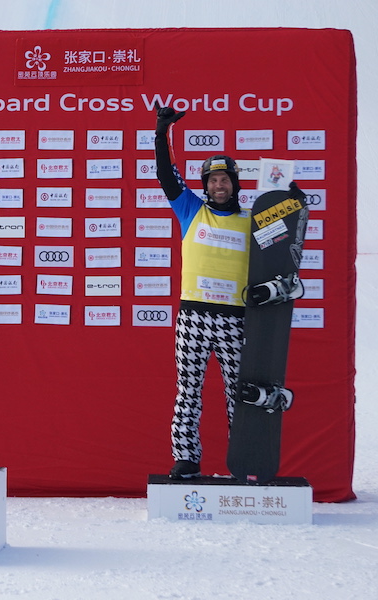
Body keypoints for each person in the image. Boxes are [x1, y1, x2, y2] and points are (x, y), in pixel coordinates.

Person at [154, 105, 251, 479]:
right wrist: (161, 132)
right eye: (212, 180)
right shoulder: (190, 208)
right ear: (205, 185)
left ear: (235, 184)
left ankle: (244, 460)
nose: (218, 186)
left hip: (235, 319)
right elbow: (167, 175)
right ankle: (186, 459)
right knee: (188, 390)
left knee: (237, 396)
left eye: (225, 180)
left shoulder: (252, 218)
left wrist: (289, 199)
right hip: (193, 315)